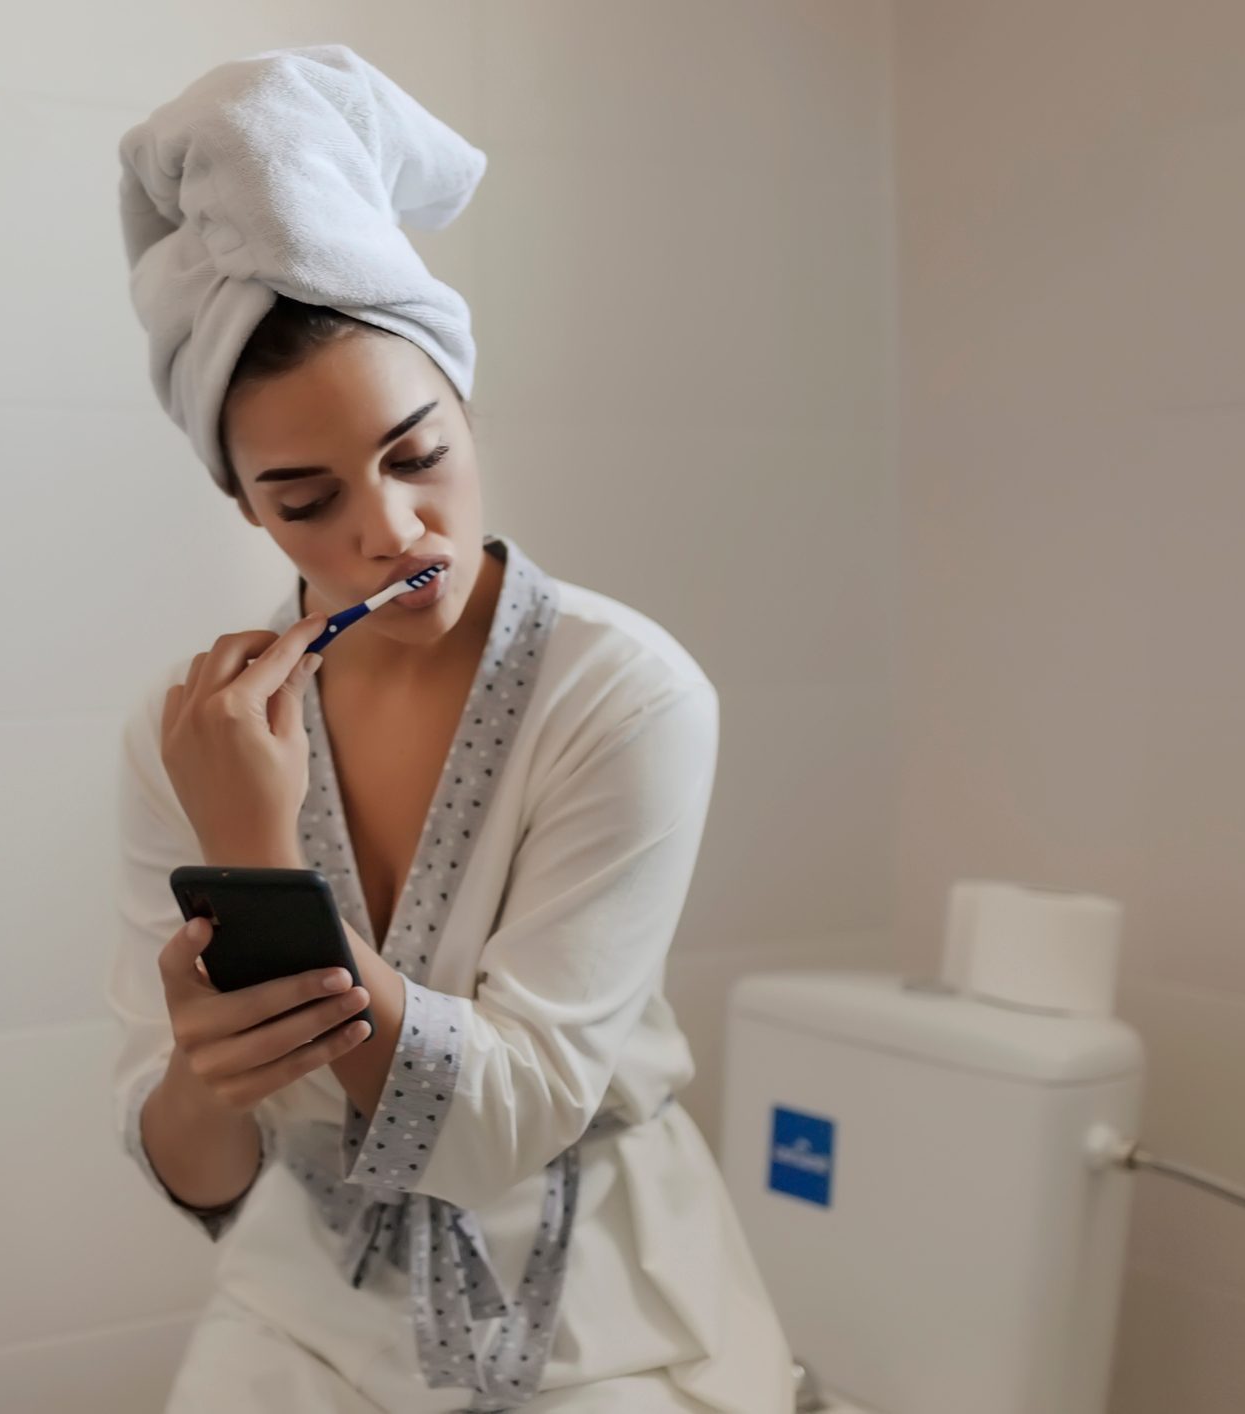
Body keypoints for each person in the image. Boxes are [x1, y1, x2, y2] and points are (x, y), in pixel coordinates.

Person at [105, 46, 795, 1414]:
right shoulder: (181, 737)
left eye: (417, 455)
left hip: (604, 1312)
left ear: (463, 411)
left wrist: (254, 863)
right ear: (246, 505)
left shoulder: (626, 695)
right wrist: (205, 1066)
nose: (388, 531)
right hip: (300, 1315)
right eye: (306, 500)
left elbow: (500, 1125)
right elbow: (197, 1165)